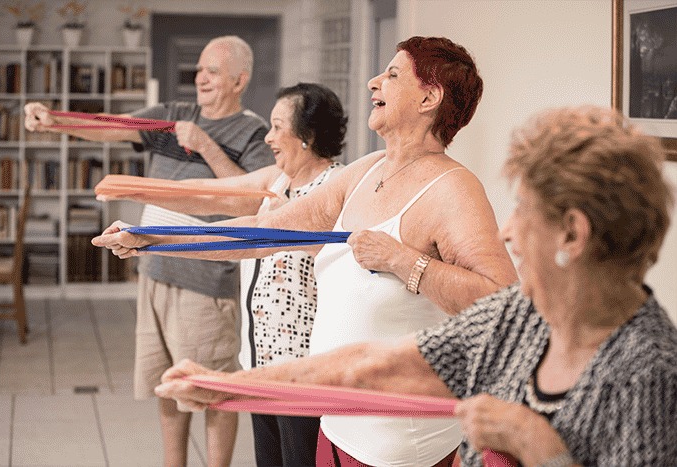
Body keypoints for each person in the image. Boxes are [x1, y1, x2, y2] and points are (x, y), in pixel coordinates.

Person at [151, 105, 677, 466]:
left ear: (573, 233)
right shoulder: (518, 317)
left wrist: (540, 447)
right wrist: (231, 387)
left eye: (525, 212)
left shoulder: (647, 370)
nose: (508, 232)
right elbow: (375, 365)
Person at [93, 36, 518, 466]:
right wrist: (151, 239)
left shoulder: (452, 189)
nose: (374, 82)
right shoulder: (366, 170)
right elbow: (263, 231)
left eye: (392, 75)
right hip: (335, 423)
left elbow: (502, 302)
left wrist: (403, 261)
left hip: (399, 444)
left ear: (429, 97)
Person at [25, 36, 275, 467]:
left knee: (211, 389)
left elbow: (254, 200)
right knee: (167, 384)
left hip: (205, 280)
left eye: (212, 70)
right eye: (199, 69)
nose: (200, 77)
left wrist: (206, 145)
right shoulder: (172, 116)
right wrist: (53, 121)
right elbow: (112, 125)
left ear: (240, 79)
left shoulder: (254, 132)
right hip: (155, 272)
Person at [97, 82, 347, 467]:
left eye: (279, 127)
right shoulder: (275, 181)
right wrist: (136, 192)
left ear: (308, 137)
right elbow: (207, 193)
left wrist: (151, 237)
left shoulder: (335, 187)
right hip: (262, 362)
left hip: (306, 367)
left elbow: (248, 234)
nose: (269, 136)